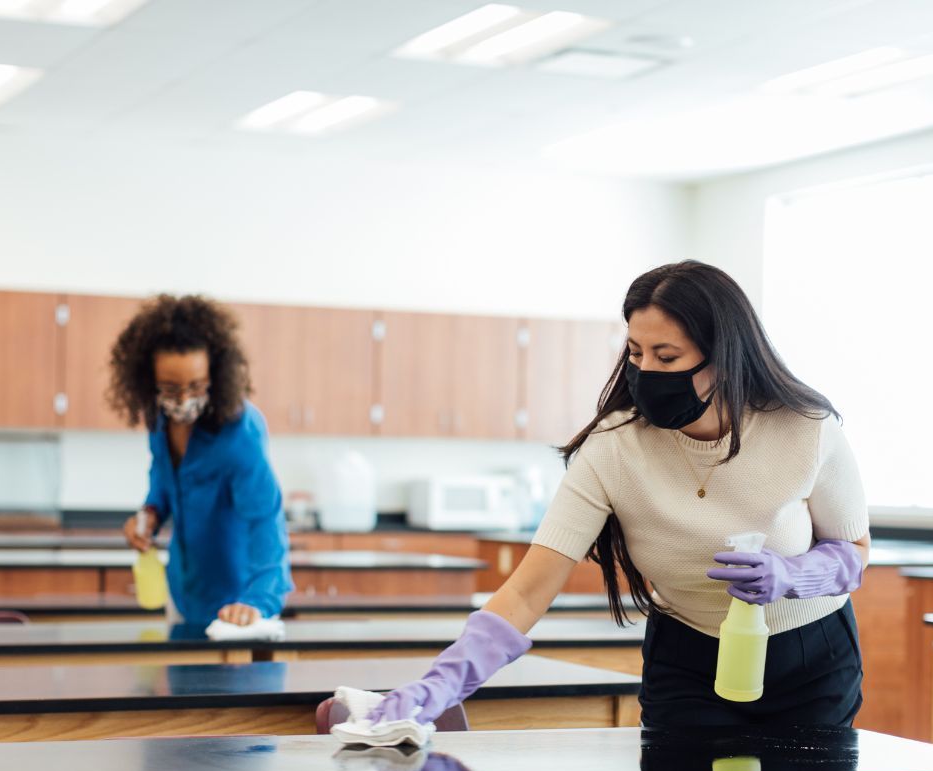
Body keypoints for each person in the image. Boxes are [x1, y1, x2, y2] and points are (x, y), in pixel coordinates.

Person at [360, 260, 869, 731]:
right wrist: (443, 684)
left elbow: (856, 553)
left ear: (724, 355)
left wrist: (794, 576)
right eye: (635, 352)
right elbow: (526, 590)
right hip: (687, 653)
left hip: (810, 657)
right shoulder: (613, 447)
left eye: (666, 356)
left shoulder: (804, 428)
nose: (645, 370)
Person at [108, 294, 292, 627]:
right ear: (148, 381)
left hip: (237, 607)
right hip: (182, 592)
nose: (182, 399)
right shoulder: (158, 421)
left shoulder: (240, 433)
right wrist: (149, 515)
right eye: (169, 387)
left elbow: (265, 519)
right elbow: (164, 483)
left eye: (196, 386)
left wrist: (258, 601)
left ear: (215, 375)